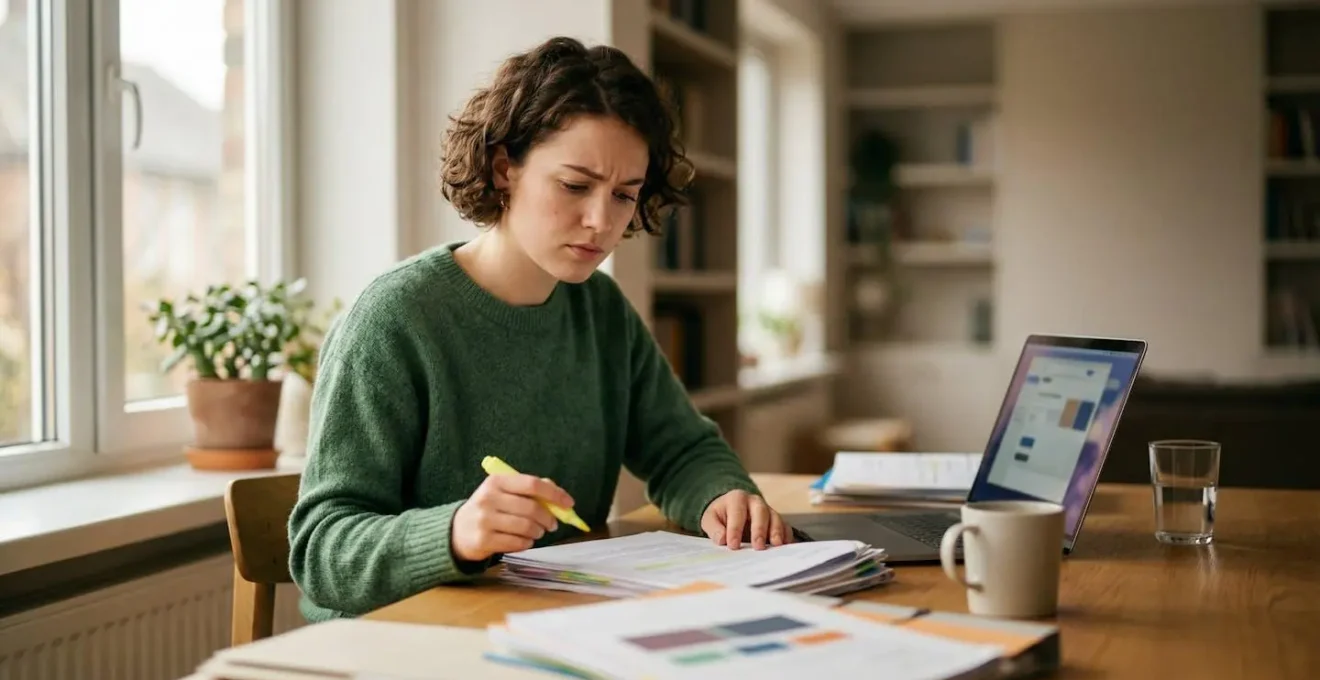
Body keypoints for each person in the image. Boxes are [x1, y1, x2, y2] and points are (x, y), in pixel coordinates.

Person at [286, 36, 795, 622]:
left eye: (624, 195)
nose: (601, 222)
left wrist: (721, 495)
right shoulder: (395, 317)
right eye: (575, 185)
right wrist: (452, 533)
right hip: (404, 641)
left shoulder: (600, 309)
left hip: (548, 622)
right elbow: (321, 551)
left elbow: (679, 447)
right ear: (506, 169)